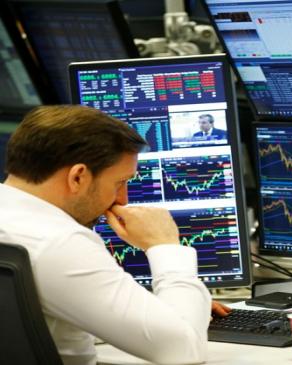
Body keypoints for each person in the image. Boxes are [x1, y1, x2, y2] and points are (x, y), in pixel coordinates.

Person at [0, 105, 229, 365]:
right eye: (120, 182)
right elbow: (183, 352)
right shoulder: (60, 241)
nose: (123, 198)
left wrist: (155, 309)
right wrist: (165, 246)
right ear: (78, 177)